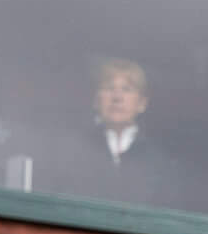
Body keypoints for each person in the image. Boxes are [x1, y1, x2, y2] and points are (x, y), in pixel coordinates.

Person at [57, 58, 175, 205]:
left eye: (127, 89)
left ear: (142, 103)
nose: (117, 97)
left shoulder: (159, 163)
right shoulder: (73, 151)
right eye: (109, 88)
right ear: (96, 100)